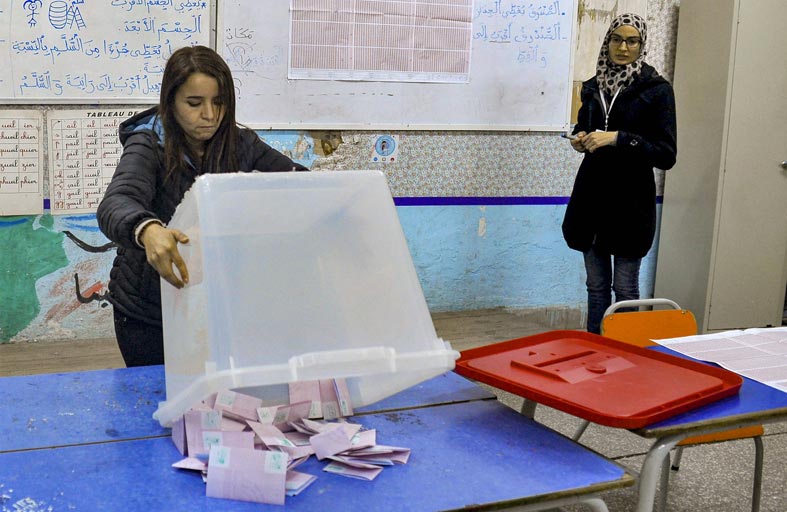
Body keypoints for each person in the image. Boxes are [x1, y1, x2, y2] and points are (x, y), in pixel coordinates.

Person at [97, 46, 308, 367]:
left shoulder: (242, 144)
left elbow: (299, 184)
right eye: (194, 103)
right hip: (150, 311)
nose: (209, 115)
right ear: (171, 102)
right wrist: (149, 230)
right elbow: (117, 201)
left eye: (219, 102)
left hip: (217, 307)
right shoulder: (148, 144)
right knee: (156, 392)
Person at [561, 13, 677, 334]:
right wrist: (580, 139)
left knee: (624, 288)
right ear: (607, 42)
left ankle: (625, 352)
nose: (623, 48)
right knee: (596, 286)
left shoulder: (656, 90)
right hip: (592, 199)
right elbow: (584, 126)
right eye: (616, 39)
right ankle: (595, 348)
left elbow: (666, 154)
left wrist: (618, 138)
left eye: (631, 41)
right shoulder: (593, 86)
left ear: (642, 45)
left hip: (630, 203)